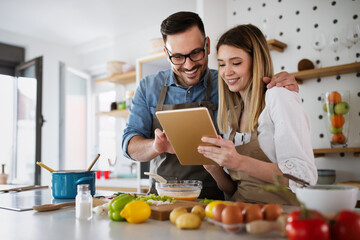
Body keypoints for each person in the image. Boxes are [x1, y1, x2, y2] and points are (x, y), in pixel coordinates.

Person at [122, 11, 298, 200]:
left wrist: (280, 85)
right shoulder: (149, 87)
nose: (189, 65)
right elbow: (130, 146)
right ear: (166, 53)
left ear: (207, 45)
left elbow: (258, 91)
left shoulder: (228, 82)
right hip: (162, 199)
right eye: (178, 57)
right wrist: (156, 147)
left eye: (195, 53)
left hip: (215, 199)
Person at [197, 24, 317, 204]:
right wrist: (214, 169)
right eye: (222, 64)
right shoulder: (232, 115)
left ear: (257, 62)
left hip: (281, 216)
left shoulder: (278, 97)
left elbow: (304, 177)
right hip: (240, 214)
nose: (226, 72)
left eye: (236, 63)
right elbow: (236, 189)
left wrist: (239, 162)